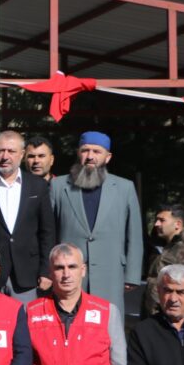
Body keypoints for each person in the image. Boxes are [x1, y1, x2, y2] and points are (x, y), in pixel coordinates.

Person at [51, 131, 143, 317]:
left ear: (108, 157)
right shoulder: (59, 186)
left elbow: (134, 234)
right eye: (85, 150)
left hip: (111, 272)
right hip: (68, 274)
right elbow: (49, 230)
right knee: (68, 322)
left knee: (108, 323)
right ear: (78, 153)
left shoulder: (124, 187)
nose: (90, 156)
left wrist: (132, 274)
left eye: (96, 151)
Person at [0, 131, 55, 303]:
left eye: (11, 151)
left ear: (22, 154)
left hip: (28, 274)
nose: (5, 156)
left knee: (25, 320)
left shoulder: (38, 186)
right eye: (0, 151)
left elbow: (47, 231)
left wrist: (46, 270)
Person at [144, 204, 184, 316]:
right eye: (157, 220)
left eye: (162, 220)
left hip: (177, 320)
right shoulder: (158, 247)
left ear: (178, 224)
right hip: (152, 317)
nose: (156, 224)